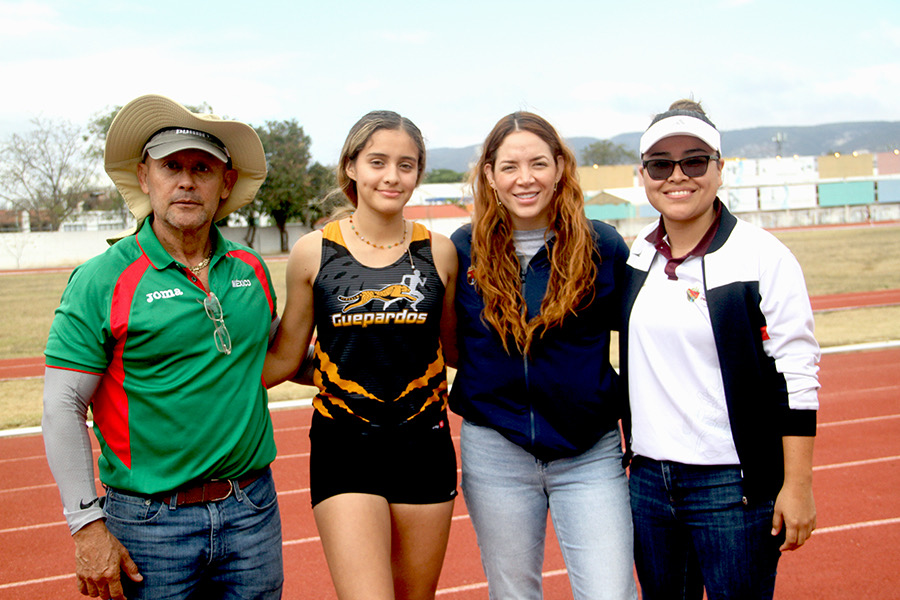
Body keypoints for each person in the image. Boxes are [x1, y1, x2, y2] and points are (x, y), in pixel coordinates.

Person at [42, 94, 282, 600]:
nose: (187, 181)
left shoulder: (251, 267)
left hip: (253, 510)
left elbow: (274, 355)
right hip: (150, 523)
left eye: (203, 168)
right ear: (145, 177)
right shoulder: (101, 280)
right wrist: (86, 525)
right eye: (171, 166)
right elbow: (63, 406)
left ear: (227, 183)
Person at [621, 99, 820, 599]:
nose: (677, 176)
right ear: (644, 175)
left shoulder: (763, 256)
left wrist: (796, 486)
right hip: (647, 482)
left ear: (719, 169)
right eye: (661, 164)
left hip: (732, 488)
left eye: (694, 160)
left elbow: (796, 376)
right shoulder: (638, 253)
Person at [264, 110, 458, 600]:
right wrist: (198, 376)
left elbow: (455, 350)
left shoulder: (440, 252)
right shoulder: (314, 251)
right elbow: (287, 358)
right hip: (344, 444)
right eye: (377, 161)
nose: (392, 176)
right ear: (351, 166)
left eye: (406, 164)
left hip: (425, 445)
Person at [449, 112, 637, 600]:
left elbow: (644, 340)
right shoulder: (463, 249)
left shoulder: (602, 245)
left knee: (610, 593)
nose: (525, 178)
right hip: (496, 454)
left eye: (537, 163)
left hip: (589, 453)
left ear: (560, 167)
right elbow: (446, 342)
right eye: (509, 166)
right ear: (489, 175)